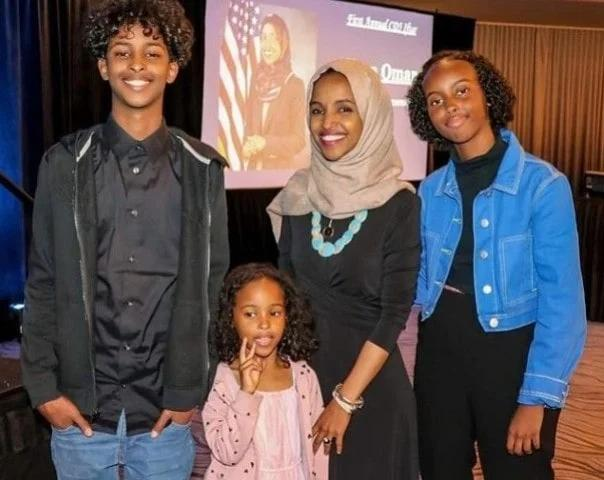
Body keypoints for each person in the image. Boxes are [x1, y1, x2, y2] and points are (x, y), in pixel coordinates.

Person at [20, 1, 229, 478]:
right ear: (103, 65)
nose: (137, 64)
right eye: (122, 51)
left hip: (164, 420)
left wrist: (193, 388)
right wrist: (44, 390)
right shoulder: (64, 165)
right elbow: (43, 281)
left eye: (152, 52)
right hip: (79, 416)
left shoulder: (204, 171)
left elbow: (214, 288)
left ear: (172, 68)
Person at [407, 50, 587, 480]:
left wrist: (536, 397)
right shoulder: (429, 190)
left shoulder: (543, 185)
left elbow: (563, 304)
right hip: (439, 356)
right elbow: (419, 282)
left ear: (487, 96)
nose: (450, 106)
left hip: (510, 360)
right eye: (435, 100)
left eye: (461, 91)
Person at [268, 58, 421, 479]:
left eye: (345, 109)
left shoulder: (399, 204)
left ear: (371, 116)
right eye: (317, 109)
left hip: (370, 393)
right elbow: (286, 296)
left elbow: (394, 315)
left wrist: (344, 401)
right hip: (304, 385)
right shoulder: (299, 195)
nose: (327, 123)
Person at [193, 263, 328, 479]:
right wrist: (246, 393)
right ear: (231, 318)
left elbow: (318, 450)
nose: (264, 324)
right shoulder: (225, 379)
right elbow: (226, 452)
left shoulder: (303, 376)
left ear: (288, 316)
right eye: (250, 314)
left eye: (274, 312)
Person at [242, 14, 307, 170]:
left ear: (283, 43)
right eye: (264, 38)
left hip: (277, 174)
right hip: (249, 171)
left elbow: (299, 141)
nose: (267, 45)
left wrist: (266, 143)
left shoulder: (295, 85)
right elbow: (246, 124)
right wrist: (246, 144)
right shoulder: (255, 79)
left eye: (274, 38)